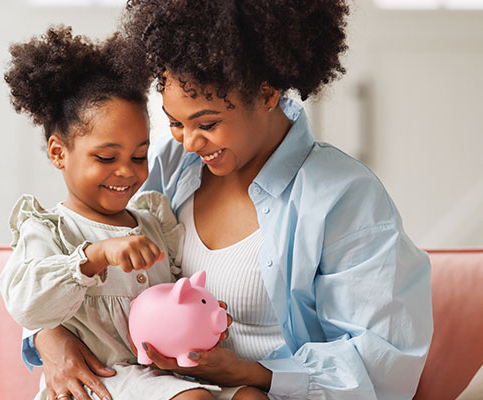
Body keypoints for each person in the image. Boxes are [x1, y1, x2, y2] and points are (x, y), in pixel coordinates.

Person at [24, 1, 434, 399]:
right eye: (174, 123)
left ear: (267, 93)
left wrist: (250, 373)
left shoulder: (344, 196)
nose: (188, 141)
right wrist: (47, 335)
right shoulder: (171, 167)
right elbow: (68, 249)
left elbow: (384, 366)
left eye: (208, 123)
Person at [0, 26, 263, 400]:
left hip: (158, 376)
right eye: (106, 158)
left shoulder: (152, 220)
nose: (128, 172)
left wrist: (199, 314)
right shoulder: (49, 230)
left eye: (140, 156)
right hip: (100, 381)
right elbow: (26, 303)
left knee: (251, 396)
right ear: (59, 153)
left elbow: (174, 292)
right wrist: (93, 257)